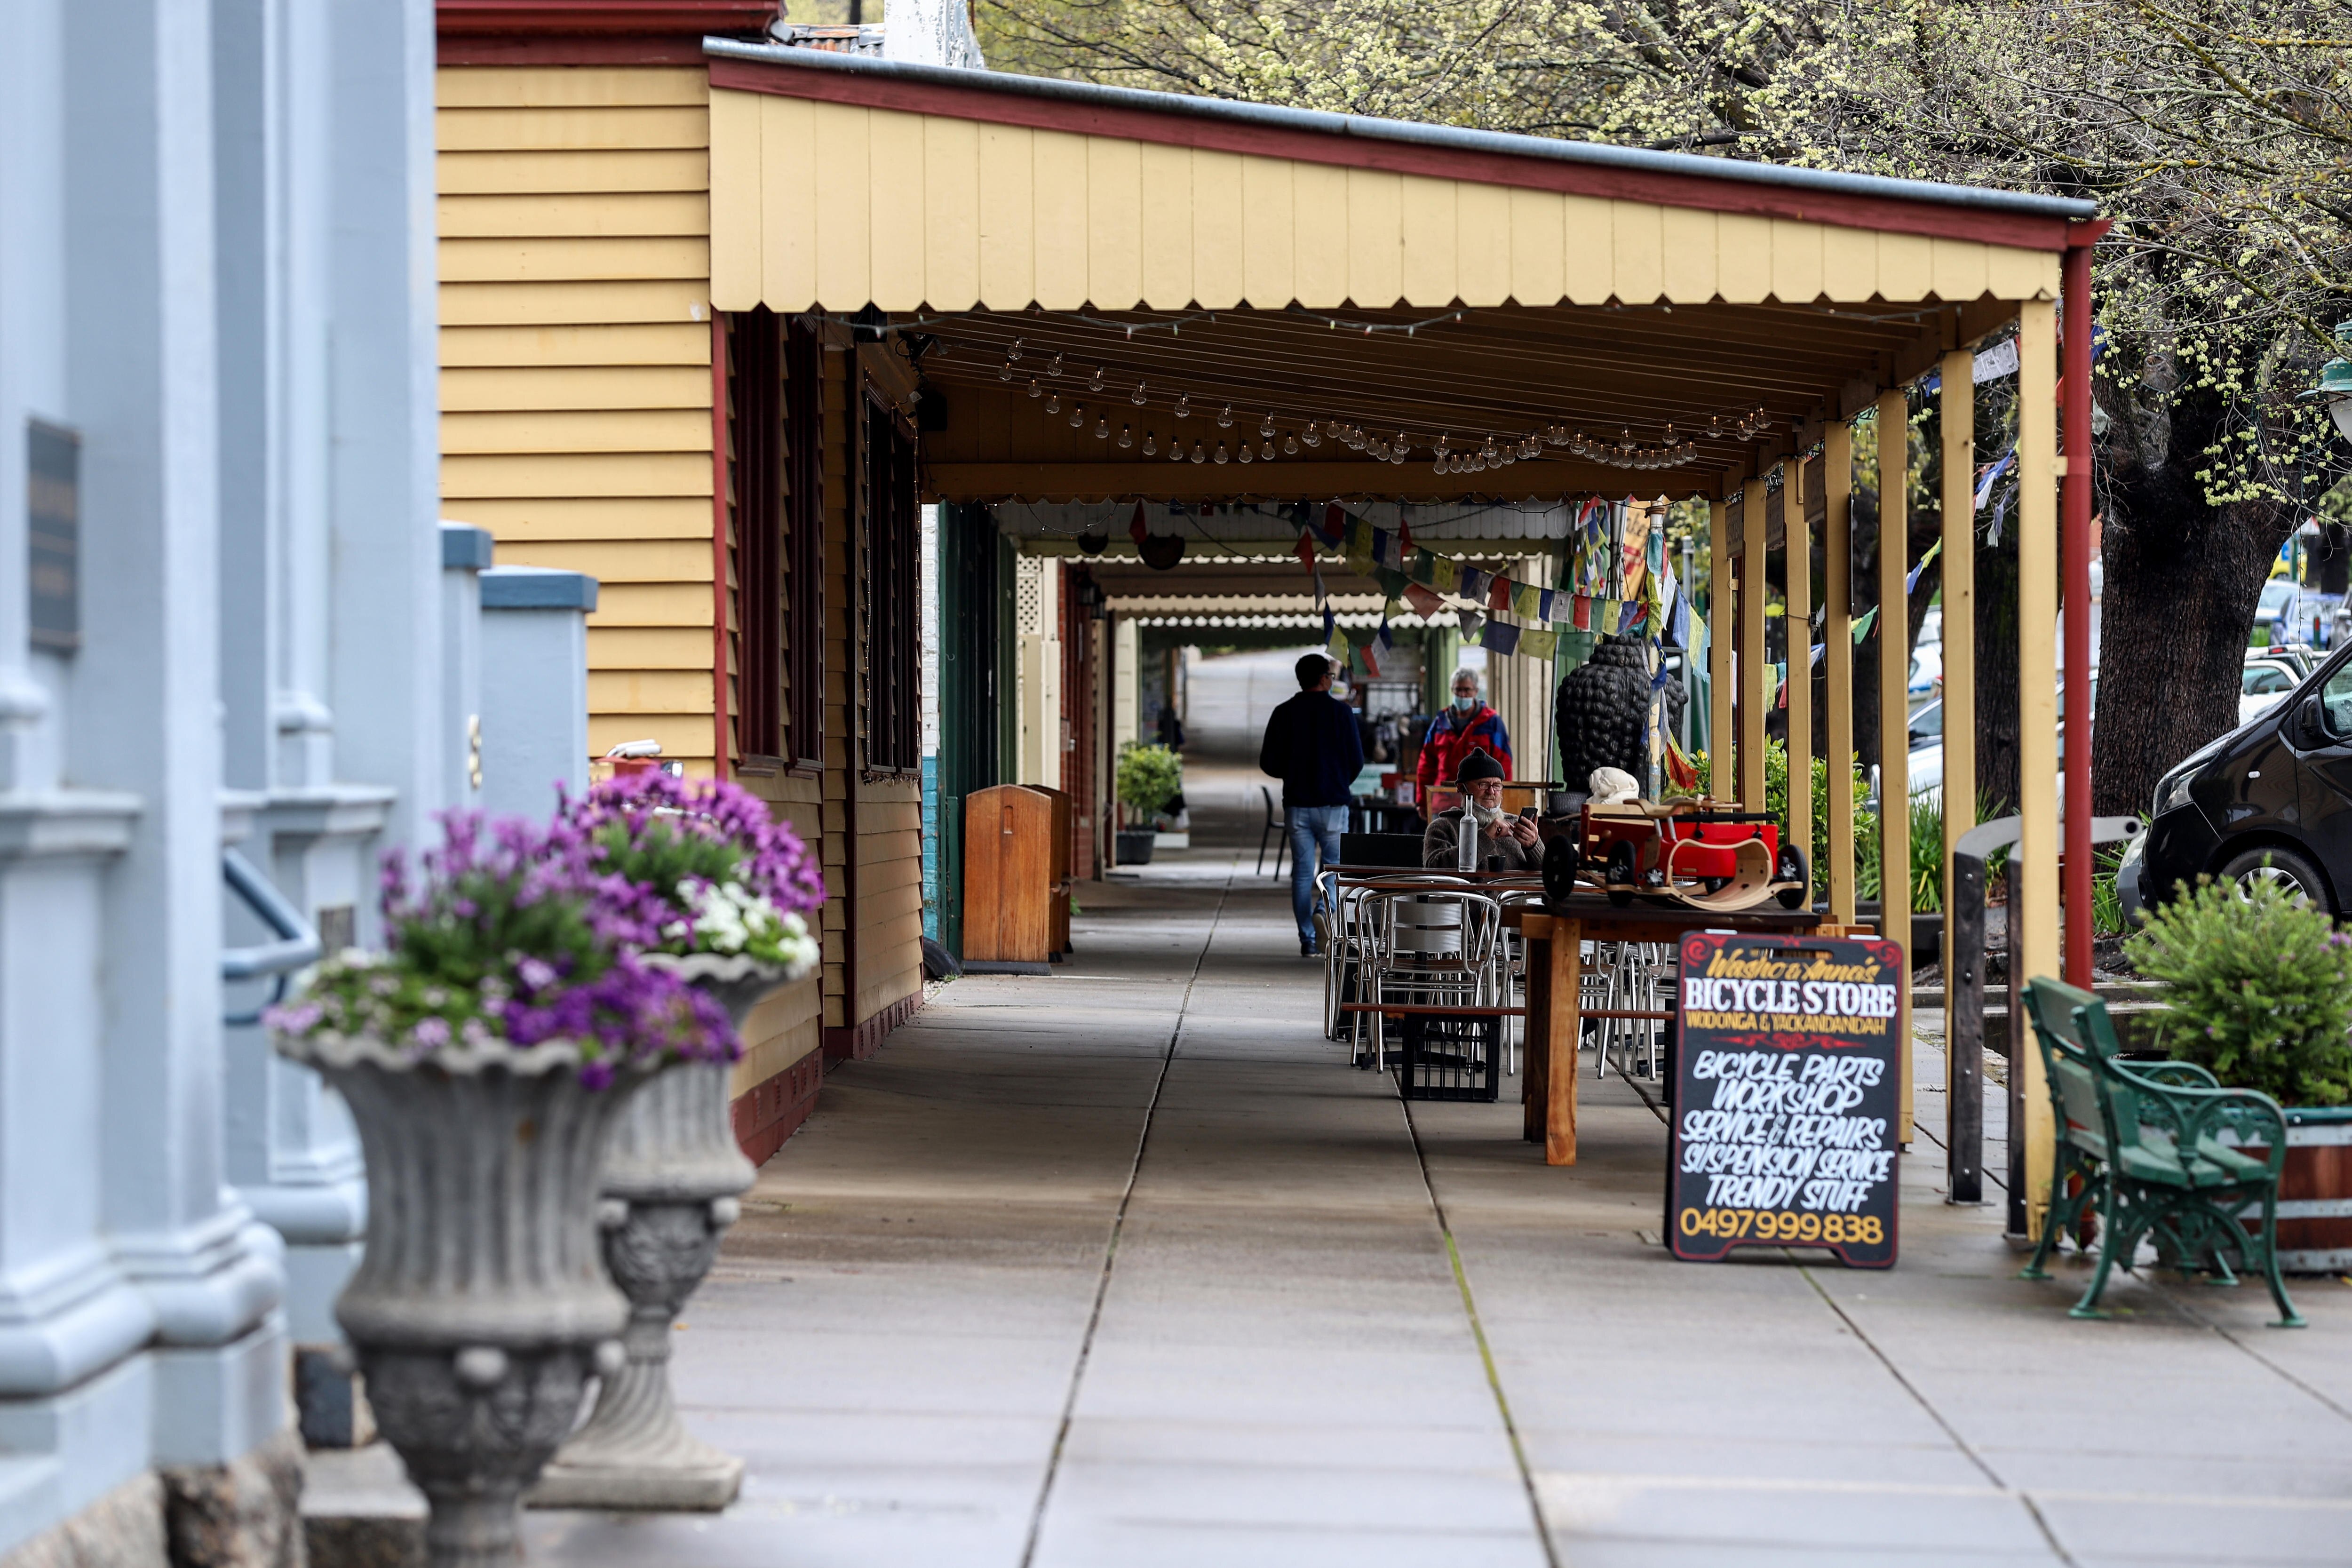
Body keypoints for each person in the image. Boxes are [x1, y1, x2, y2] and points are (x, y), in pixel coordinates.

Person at [1259, 652, 1365, 957]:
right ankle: (1325, 909)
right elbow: (1357, 761)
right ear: (1323, 679)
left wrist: (1292, 774)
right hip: (1333, 804)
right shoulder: (1342, 714)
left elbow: (1267, 761)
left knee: (1303, 873)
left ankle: (1307, 938)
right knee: (1333, 870)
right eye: (1331, 677)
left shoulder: (1283, 712)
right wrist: (1339, 781)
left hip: (1297, 805)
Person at [1422, 748, 1542, 870]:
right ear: (1462, 788)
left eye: (1497, 786)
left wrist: (1533, 845)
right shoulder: (1444, 827)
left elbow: (1550, 874)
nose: (1491, 791)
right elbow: (1434, 869)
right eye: (1483, 784)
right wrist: (1485, 837)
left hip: (1517, 890)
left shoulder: (1516, 826)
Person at [1416, 668, 1514, 815]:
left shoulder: (1491, 723)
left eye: (1467, 690)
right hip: (1442, 804)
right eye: (1458, 690)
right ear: (1452, 690)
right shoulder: (1440, 723)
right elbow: (1426, 766)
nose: (1462, 695)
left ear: (1476, 691)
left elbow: (1504, 765)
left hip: (1480, 805)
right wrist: (1422, 802)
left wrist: (1500, 803)